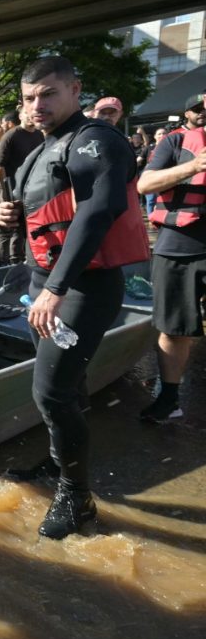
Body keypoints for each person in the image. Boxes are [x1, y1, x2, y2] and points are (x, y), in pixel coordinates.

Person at [0, 56, 149, 540]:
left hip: (81, 288)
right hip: (44, 283)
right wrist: (6, 213)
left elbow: (97, 210)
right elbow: (41, 209)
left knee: (51, 391)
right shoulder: (44, 147)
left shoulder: (96, 140)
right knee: (67, 387)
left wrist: (56, 290)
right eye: (28, 98)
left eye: (48, 94)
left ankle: (76, 496)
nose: (36, 105)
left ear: (75, 90)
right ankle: (58, 458)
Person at [135, 92, 206, 423]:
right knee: (173, 327)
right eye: (196, 106)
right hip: (178, 246)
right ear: (187, 110)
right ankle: (169, 398)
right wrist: (194, 165)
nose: (202, 112)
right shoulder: (173, 143)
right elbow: (145, 184)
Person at [0, 108, 44, 265]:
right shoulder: (11, 135)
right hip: (10, 189)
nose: (30, 116)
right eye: (26, 113)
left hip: (30, 190)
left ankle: (19, 261)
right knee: (7, 227)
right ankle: (3, 263)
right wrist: (6, 191)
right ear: (21, 116)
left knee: (24, 228)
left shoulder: (39, 135)